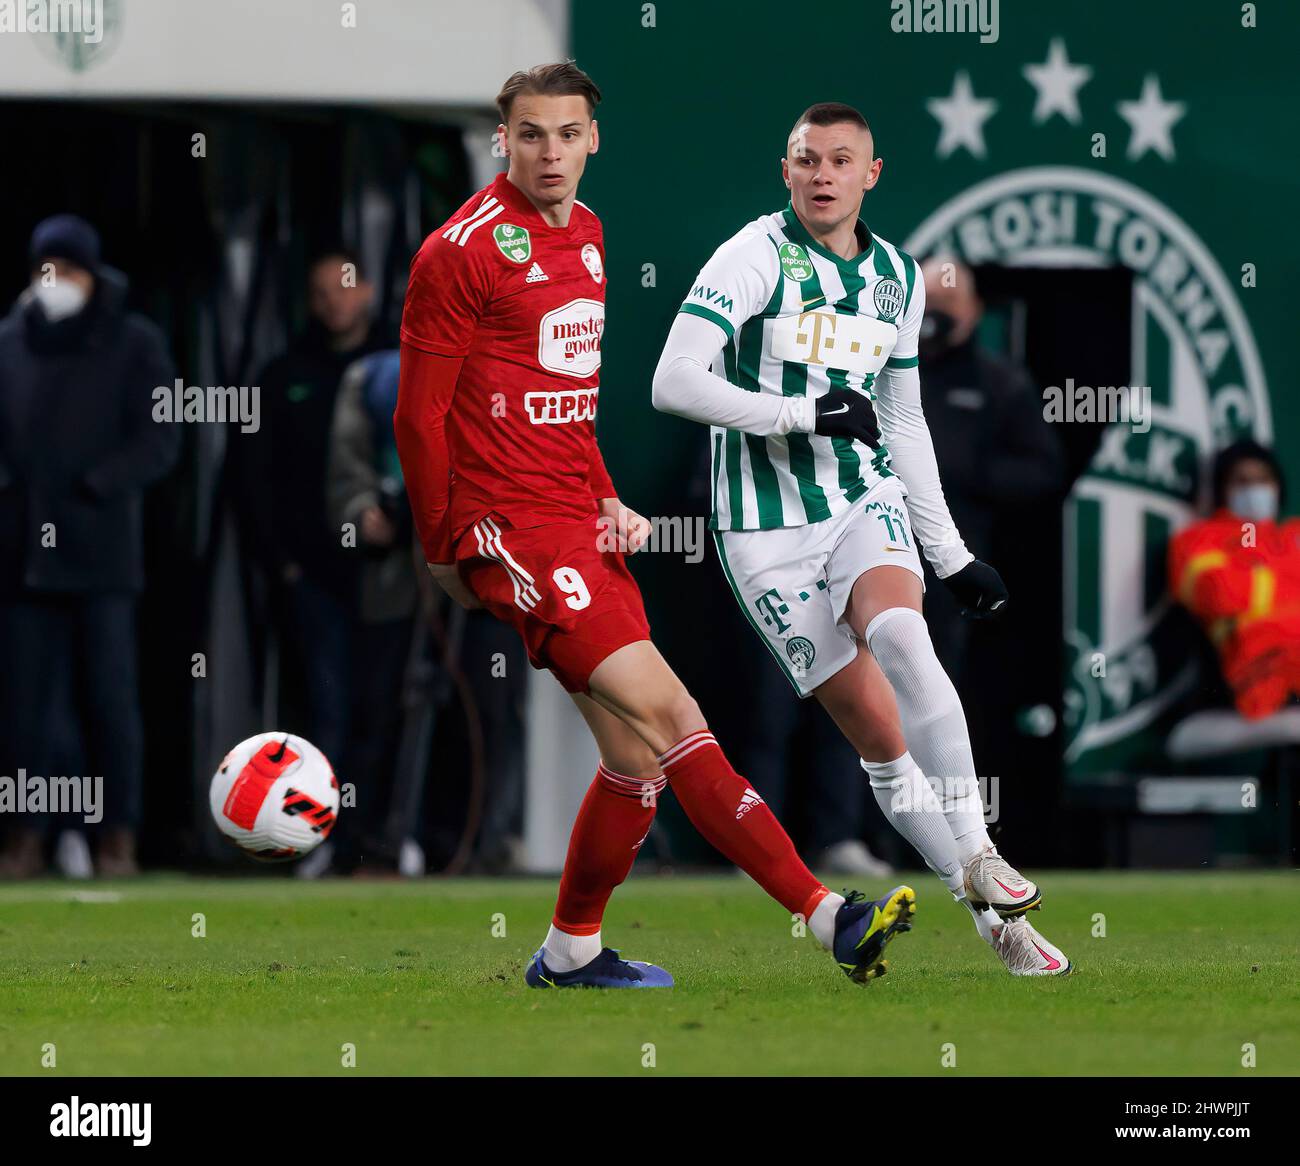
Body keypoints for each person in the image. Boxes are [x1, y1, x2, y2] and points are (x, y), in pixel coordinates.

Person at [395, 62, 914, 989]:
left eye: (566, 134)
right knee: (676, 716)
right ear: (501, 140)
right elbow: (417, 417)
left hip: (574, 520)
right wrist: (443, 548)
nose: (549, 153)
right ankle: (827, 913)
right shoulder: (460, 251)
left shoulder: (589, 235)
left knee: (635, 759)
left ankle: (571, 952)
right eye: (530, 135)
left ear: (593, 139)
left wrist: (603, 492)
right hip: (509, 527)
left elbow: (571, 394)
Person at [652, 103, 1070, 976]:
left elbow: (904, 418)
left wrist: (947, 553)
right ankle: (990, 912)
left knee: (905, 638)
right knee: (879, 740)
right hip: (761, 531)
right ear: (786, 169)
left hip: (856, 498)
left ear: (871, 174)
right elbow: (671, 381)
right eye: (806, 159)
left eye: (841, 160)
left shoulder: (897, 277)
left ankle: (982, 851)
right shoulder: (754, 255)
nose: (823, 175)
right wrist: (798, 412)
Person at [0, 214, 180, 877]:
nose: (54, 283)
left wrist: (99, 484)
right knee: (23, 710)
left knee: (110, 704)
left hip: (102, 558)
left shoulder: (133, 343)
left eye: (67, 269)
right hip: (22, 561)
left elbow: (162, 437)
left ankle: (117, 838)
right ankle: (23, 838)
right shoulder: (10, 343)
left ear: (90, 274)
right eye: (44, 269)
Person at [232, 248, 385, 792]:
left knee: (384, 704)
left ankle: (379, 841)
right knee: (324, 707)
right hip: (312, 576)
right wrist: (283, 565)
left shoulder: (398, 366)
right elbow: (255, 479)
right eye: (320, 291)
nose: (333, 300)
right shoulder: (283, 375)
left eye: (344, 285)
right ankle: (316, 835)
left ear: (366, 289)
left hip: (387, 576)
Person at [916, 255, 1066, 685]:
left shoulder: (1001, 383)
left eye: (948, 300)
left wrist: (969, 471)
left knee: (932, 687)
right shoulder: (879, 368)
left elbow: (1044, 471)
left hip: (952, 564)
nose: (935, 313)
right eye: (927, 301)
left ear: (974, 309)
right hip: (873, 551)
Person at [1169, 440, 1300, 721]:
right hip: (1255, 680)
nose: (1255, 488)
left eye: (1263, 479)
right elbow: (1220, 592)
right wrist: (1287, 581)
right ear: (1222, 490)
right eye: (1242, 481)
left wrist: (1259, 581)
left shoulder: (1292, 535)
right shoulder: (1197, 540)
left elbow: (1245, 589)